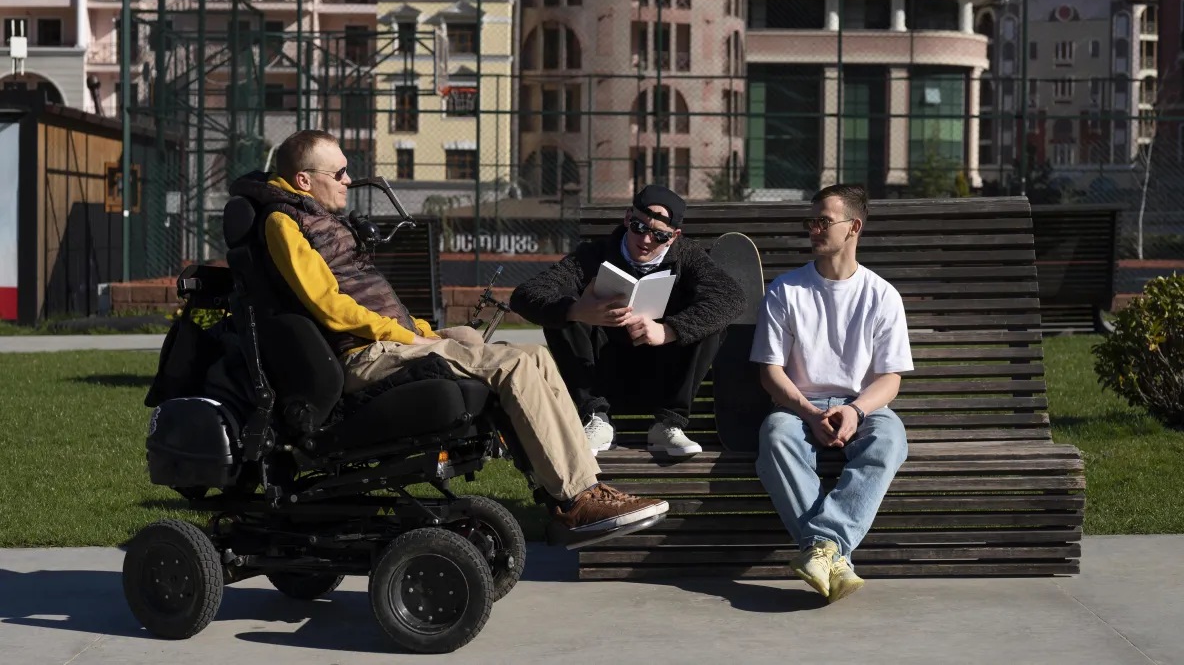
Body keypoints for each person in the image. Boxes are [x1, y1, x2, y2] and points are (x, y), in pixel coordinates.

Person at [230, 129, 668, 542]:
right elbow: (327, 306)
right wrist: (406, 337)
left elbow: (365, 299)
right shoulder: (283, 223)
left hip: (386, 341)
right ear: (304, 179)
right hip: (364, 355)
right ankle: (575, 501)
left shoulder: (313, 217)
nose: (349, 181)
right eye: (339, 173)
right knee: (511, 363)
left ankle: (583, 487)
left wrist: (422, 331)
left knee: (529, 353)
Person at [750, 184, 912, 603]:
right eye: (811, 221)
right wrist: (807, 412)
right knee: (775, 437)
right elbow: (770, 372)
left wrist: (856, 410)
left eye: (824, 220)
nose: (814, 228)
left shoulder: (882, 295)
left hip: (862, 405)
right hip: (797, 405)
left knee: (890, 438)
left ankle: (822, 547)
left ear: (853, 227)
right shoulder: (785, 291)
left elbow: (890, 379)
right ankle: (834, 558)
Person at [510, 185, 744, 458]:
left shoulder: (688, 256)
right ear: (627, 218)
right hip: (602, 375)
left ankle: (668, 423)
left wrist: (669, 330)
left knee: (710, 320)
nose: (646, 240)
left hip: (664, 374)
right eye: (638, 227)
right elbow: (524, 295)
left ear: (673, 237)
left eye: (659, 235)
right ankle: (596, 419)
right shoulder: (592, 255)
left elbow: (732, 297)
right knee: (562, 310)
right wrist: (577, 311)